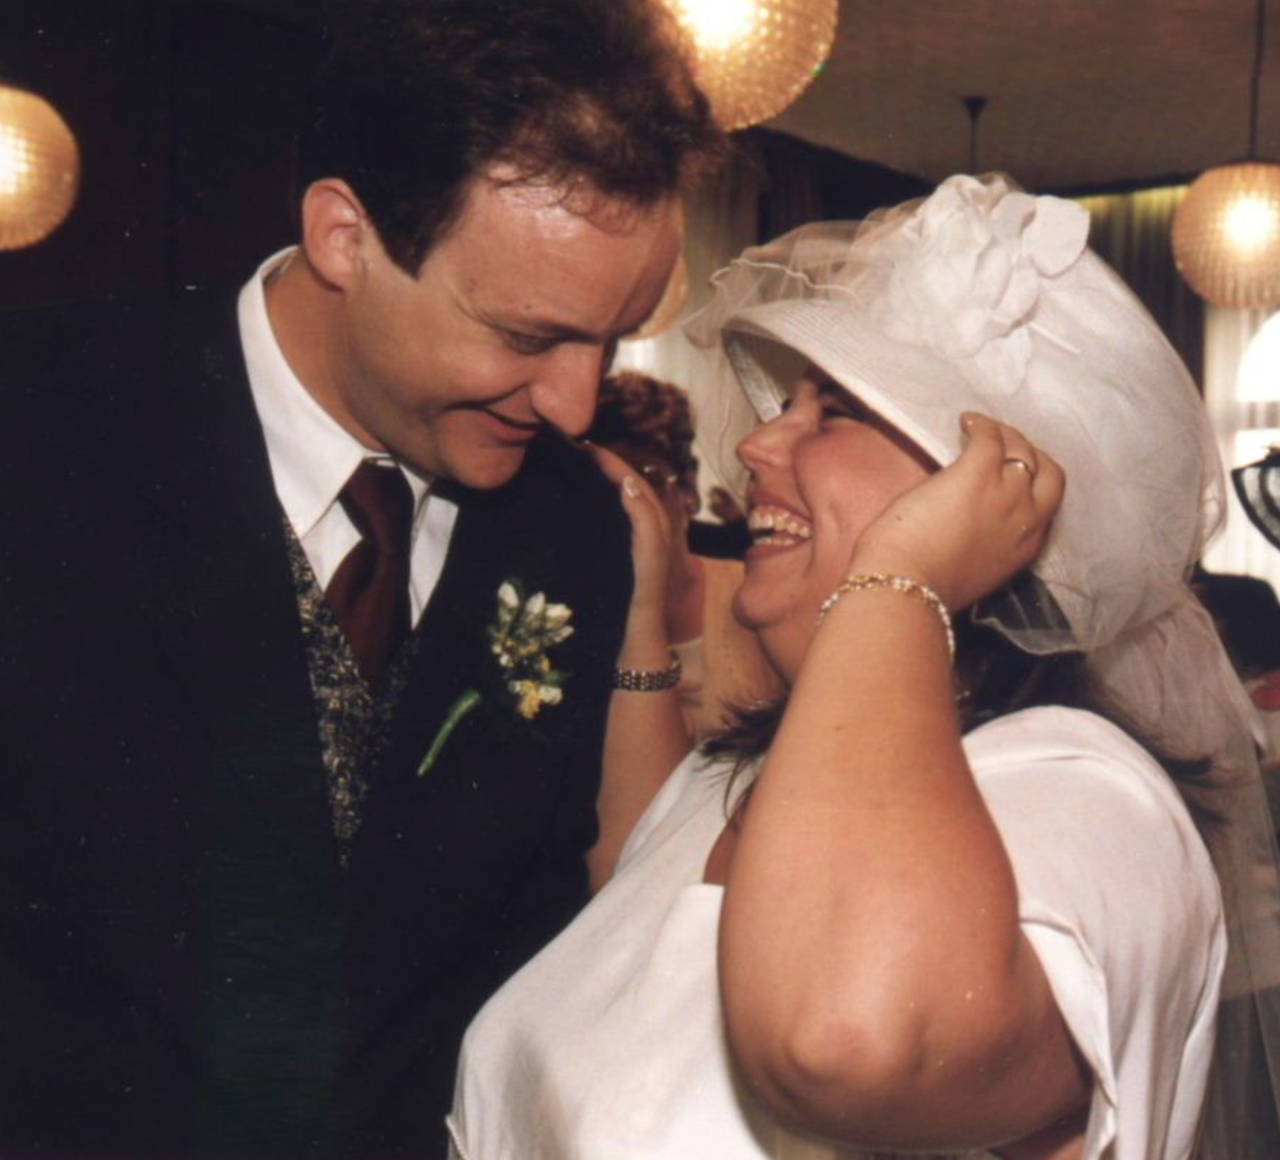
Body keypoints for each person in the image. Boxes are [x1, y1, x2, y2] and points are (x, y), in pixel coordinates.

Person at [0, 1, 721, 1156]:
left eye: (618, 335)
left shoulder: (575, 527)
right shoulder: (35, 427)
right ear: (344, 236)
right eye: (526, 334)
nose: (576, 405)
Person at [449, 175, 1280, 1159]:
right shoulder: (754, 770)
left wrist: (898, 580)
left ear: (990, 495)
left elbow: (845, 1039)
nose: (755, 443)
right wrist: (639, 612)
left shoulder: (1085, 799)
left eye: (830, 412)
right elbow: (638, 910)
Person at [587, 371, 782, 743]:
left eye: (648, 481)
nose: (630, 510)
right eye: (602, 491)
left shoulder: (757, 601)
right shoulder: (565, 615)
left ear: (688, 488)